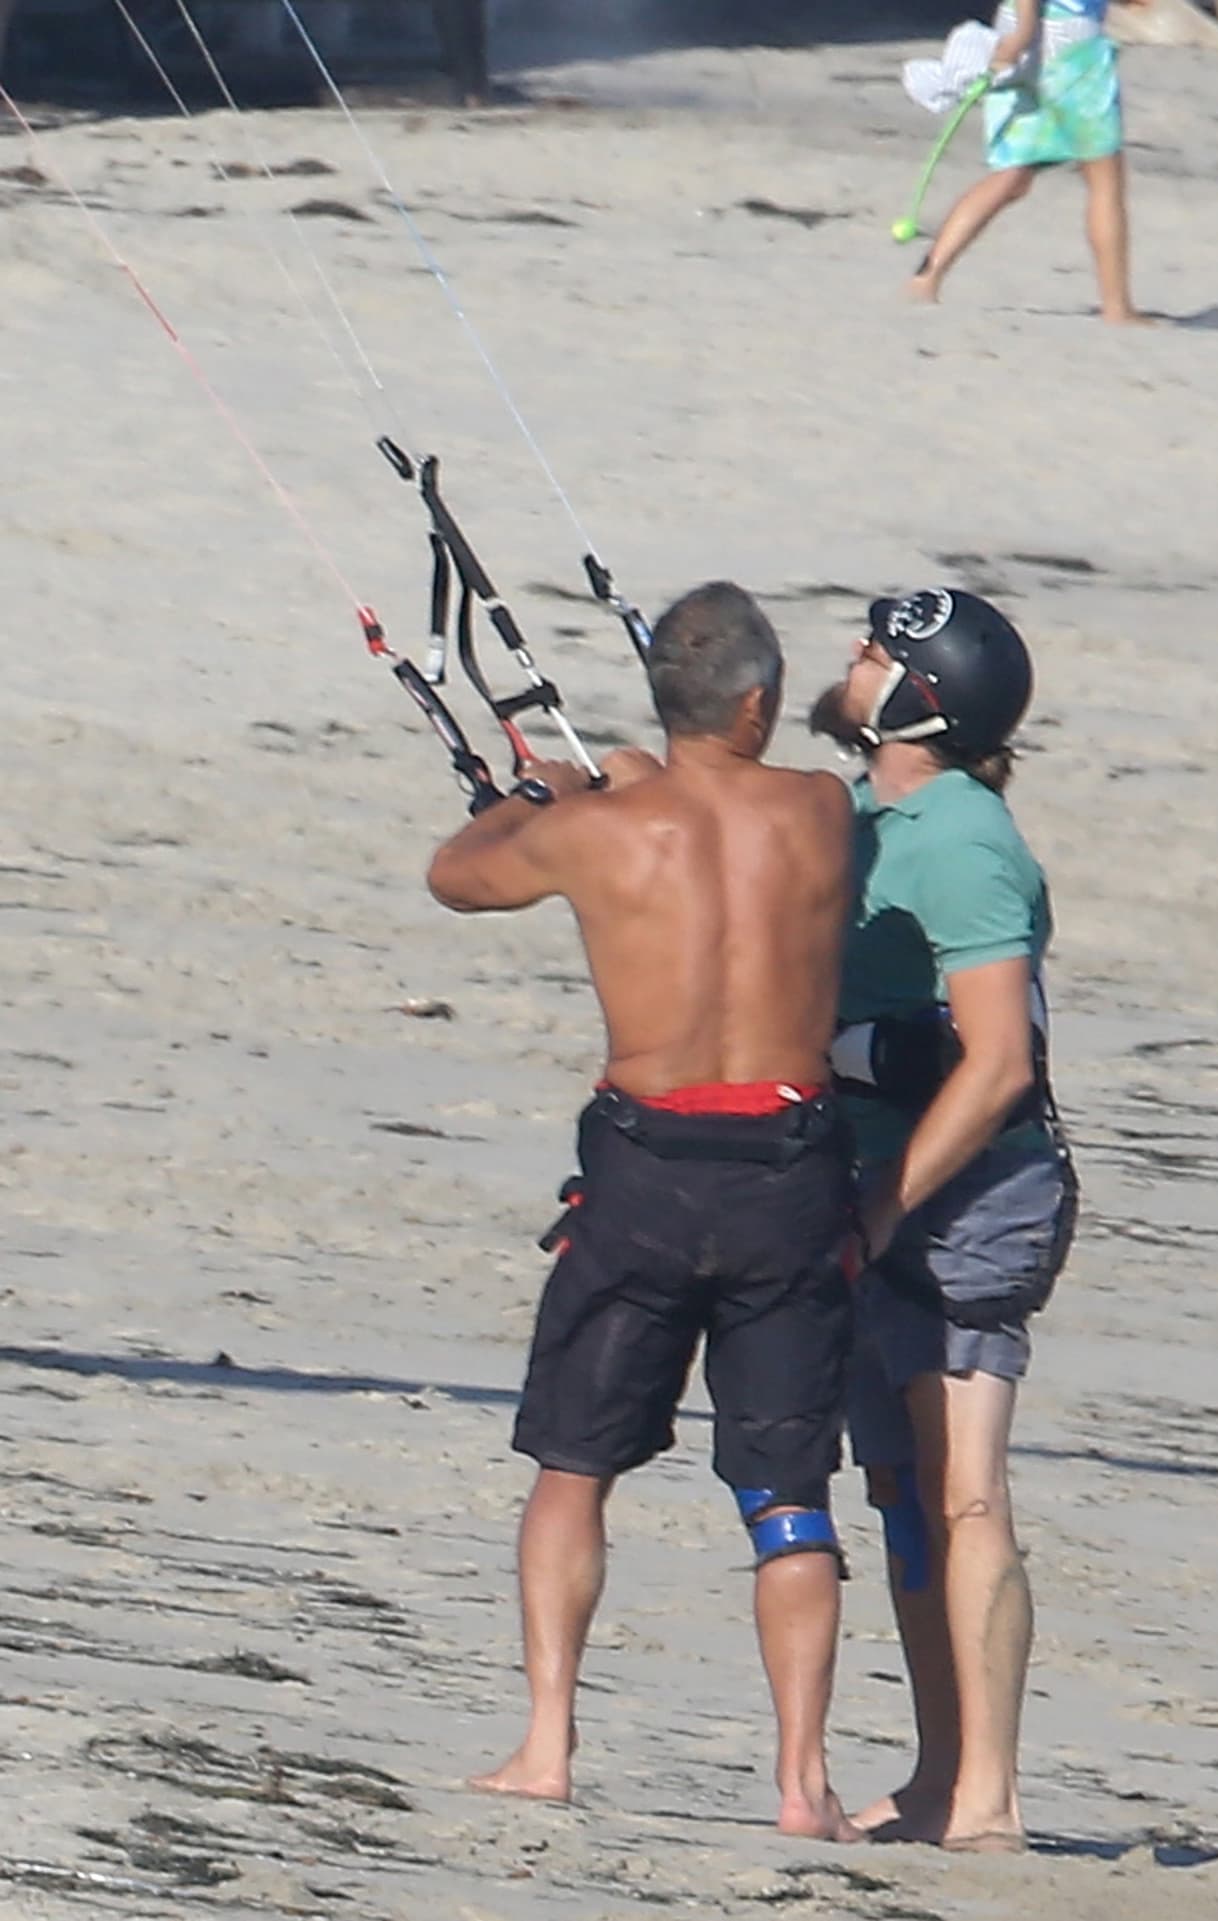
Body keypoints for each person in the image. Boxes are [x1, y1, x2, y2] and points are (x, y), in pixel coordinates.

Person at [428, 581, 860, 1838]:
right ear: (760, 705)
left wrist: (555, 794)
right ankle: (800, 1783)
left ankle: (548, 1745)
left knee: (573, 1464)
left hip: (646, 1173)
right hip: (789, 1171)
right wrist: (629, 779)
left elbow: (456, 877)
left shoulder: (599, 831)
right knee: (788, 1494)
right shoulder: (825, 811)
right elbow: (733, 801)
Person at [809, 588, 1078, 1853]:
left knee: (966, 1495)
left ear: (921, 699)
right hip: (881, 1186)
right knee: (905, 1494)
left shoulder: (966, 840)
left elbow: (998, 1063)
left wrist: (881, 1203)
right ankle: (933, 1774)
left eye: (871, 656)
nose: (849, 666)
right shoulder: (870, 812)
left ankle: (990, 1799)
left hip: (971, 1197)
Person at [909, 0, 1151, 322]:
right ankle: (1117, 307)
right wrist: (1024, 29)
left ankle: (926, 278)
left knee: (1013, 173)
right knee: (1103, 176)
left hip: (1023, 33)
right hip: (1066, 43)